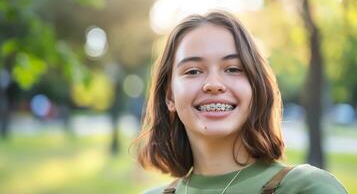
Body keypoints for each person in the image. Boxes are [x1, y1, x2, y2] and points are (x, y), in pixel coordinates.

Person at [135, 11, 348, 194]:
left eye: (233, 69)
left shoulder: (307, 188)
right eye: (193, 71)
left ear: (256, 88)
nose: (213, 84)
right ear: (170, 96)